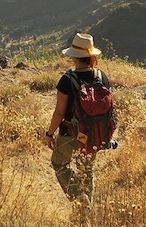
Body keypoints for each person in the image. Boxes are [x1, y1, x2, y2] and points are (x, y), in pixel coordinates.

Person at [44, 32, 111, 207]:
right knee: (87, 170)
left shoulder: (67, 80)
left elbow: (59, 113)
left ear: (74, 56)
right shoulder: (102, 77)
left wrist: (49, 134)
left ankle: (78, 198)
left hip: (70, 134)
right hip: (95, 133)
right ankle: (86, 207)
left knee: (59, 164)